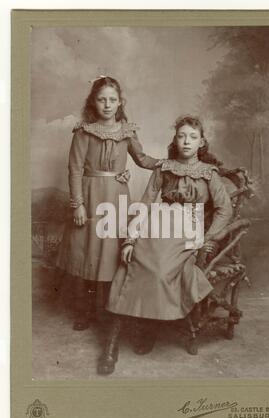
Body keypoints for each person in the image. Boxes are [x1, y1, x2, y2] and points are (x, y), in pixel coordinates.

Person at [97, 115, 233, 375]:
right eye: (181, 136)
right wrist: (130, 239)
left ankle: (150, 327)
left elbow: (224, 211)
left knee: (158, 270)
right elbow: (146, 203)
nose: (186, 141)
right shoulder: (164, 167)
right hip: (156, 225)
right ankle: (111, 346)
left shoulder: (208, 173)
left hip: (188, 230)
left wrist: (207, 238)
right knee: (129, 263)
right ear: (175, 140)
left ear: (201, 142)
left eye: (192, 137)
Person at [55, 76, 162, 330]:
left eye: (112, 100)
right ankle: (87, 312)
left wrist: (167, 164)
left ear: (119, 102)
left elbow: (143, 159)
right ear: (93, 102)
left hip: (117, 198)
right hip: (91, 196)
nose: (107, 104)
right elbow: (74, 169)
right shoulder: (84, 132)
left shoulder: (127, 131)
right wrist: (78, 203)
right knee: (90, 254)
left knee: (112, 255)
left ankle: (112, 312)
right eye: (102, 99)